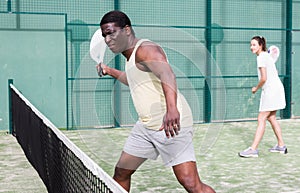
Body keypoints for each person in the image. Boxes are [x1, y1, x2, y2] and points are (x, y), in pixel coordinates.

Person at [96, 10, 215, 193]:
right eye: (104, 35)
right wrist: (109, 70)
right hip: (145, 127)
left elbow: (167, 74)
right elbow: (133, 80)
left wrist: (172, 110)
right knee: (121, 173)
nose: (107, 39)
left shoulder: (146, 49)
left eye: (111, 32)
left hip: (171, 126)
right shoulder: (130, 57)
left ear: (126, 30)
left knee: (191, 183)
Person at [239, 36, 287, 158]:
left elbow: (264, 78)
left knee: (261, 118)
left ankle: (253, 149)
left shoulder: (261, 57)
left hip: (271, 91)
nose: (251, 47)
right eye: (251, 45)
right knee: (271, 118)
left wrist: (256, 88)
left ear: (261, 45)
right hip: (277, 89)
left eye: (254, 45)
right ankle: (281, 146)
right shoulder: (266, 55)